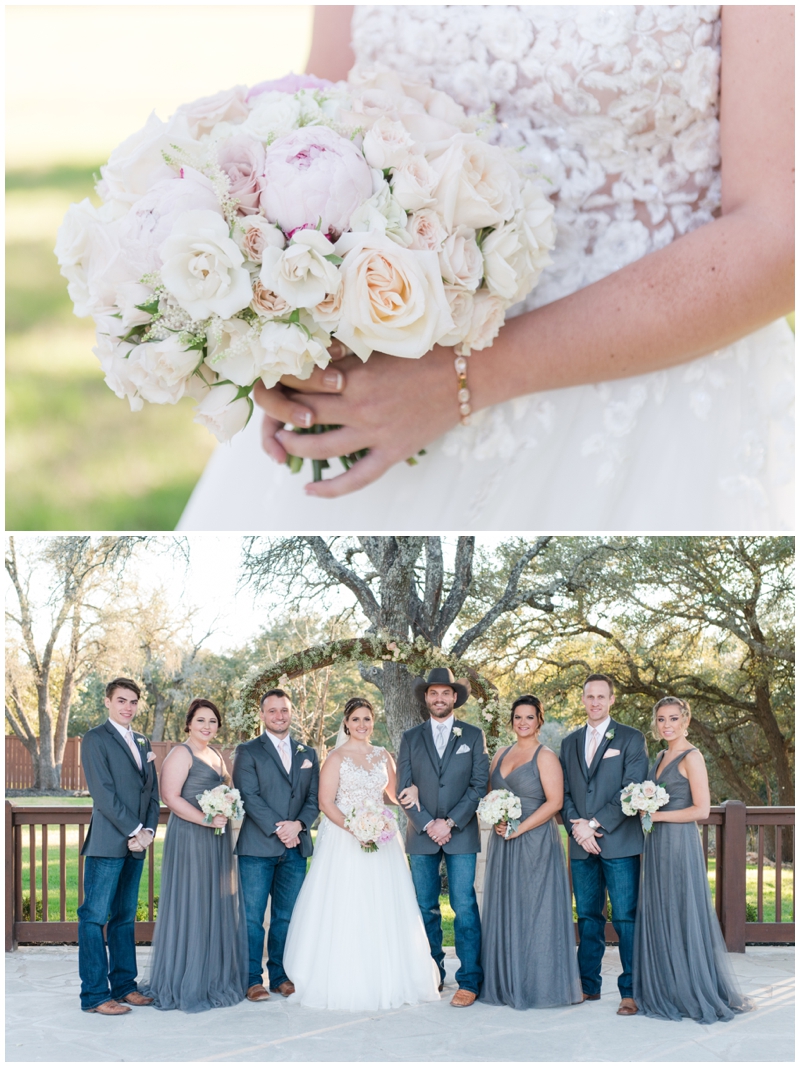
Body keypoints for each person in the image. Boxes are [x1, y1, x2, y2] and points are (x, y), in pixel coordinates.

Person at [178, 5, 794, 533]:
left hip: (649, 399)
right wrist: (292, 333)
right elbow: (319, 121)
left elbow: (779, 232)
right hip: (379, 391)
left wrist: (462, 380)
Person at [282, 697, 440, 1010]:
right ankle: (344, 976)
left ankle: (390, 975)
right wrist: (355, 828)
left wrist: (414, 792)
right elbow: (326, 802)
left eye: (367, 719)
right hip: (345, 838)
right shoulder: (336, 757)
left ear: (372, 721)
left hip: (381, 838)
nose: (362, 725)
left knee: (383, 902)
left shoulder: (383, 756)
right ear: (346, 723)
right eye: (356, 719)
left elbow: (394, 795)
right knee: (348, 902)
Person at [633, 697, 753, 1023]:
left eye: (673, 718)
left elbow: (701, 810)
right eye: (661, 719)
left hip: (678, 843)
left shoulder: (692, 756)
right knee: (662, 910)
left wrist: (657, 817)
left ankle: (690, 991)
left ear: (686, 720)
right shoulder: (659, 756)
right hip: (656, 845)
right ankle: (668, 987)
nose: (667, 724)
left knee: (681, 909)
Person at [141, 698, 248, 1012]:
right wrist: (205, 818)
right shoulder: (181, 753)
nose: (207, 726)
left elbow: (228, 792)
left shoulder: (216, 755)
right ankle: (186, 979)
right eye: (201, 720)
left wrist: (227, 808)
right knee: (193, 902)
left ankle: (212, 976)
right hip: (190, 837)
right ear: (188, 723)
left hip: (216, 838)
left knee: (215, 902)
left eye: (213, 721)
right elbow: (170, 797)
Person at [480, 695, 583, 1010]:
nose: (522, 723)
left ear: (539, 720)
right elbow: (491, 795)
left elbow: (554, 803)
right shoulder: (499, 754)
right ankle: (506, 980)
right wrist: (500, 820)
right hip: (503, 842)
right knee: (506, 906)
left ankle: (538, 983)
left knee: (536, 909)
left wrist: (519, 828)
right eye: (517, 717)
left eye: (529, 717)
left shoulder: (546, 756)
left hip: (535, 841)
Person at [396, 668, 489, 1007]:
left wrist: (449, 822)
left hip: (460, 832)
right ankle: (431, 973)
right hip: (421, 835)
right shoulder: (410, 737)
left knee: (464, 905)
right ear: (426, 698)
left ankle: (469, 980)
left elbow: (479, 785)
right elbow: (402, 789)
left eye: (445, 693)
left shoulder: (473, 736)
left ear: (454, 698)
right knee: (425, 907)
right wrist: (426, 823)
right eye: (433, 693)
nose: (439, 698)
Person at [560, 673, 649, 1016]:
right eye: (589, 696)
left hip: (620, 842)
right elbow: (565, 792)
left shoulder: (630, 738)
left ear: (612, 700)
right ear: (582, 700)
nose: (595, 702)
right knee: (587, 916)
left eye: (601, 696)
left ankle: (630, 991)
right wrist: (577, 828)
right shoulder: (569, 743)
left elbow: (631, 789)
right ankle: (588, 985)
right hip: (582, 845)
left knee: (626, 917)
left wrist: (594, 824)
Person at [77, 678, 159, 1015]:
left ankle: (125, 986)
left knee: (124, 917)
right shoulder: (95, 739)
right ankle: (95, 995)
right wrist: (136, 828)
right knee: (94, 917)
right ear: (108, 701)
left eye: (133, 702)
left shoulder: (142, 740)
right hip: (109, 843)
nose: (128, 707)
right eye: (122, 700)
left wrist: (149, 830)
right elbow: (104, 794)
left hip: (137, 844)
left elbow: (151, 792)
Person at [233, 688, 320, 1002]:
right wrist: (280, 828)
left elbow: (314, 799)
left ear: (291, 712)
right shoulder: (248, 751)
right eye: (272, 711)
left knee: (286, 917)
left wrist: (298, 825)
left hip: (296, 848)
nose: (279, 716)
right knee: (253, 917)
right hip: (258, 847)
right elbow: (249, 797)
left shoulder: (308, 753)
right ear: (262, 714)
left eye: (284, 710)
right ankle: (251, 979)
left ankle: (281, 976)